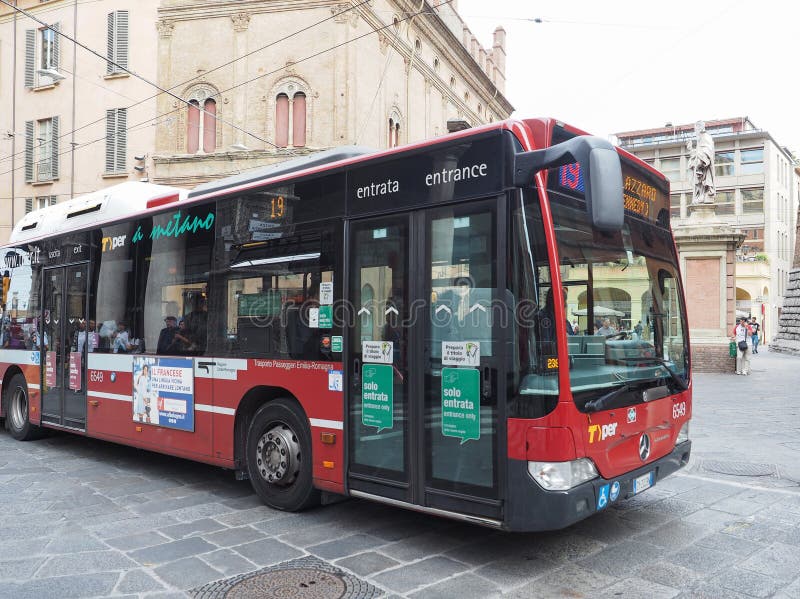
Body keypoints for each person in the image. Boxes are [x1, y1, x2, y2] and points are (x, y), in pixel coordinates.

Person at [687, 120, 715, 205]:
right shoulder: (699, 139)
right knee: (697, 180)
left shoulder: (706, 137)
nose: (695, 131)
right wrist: (690, 149)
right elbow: (697, 153)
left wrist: (701, 158)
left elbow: (708, 150)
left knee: (701, 180)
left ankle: (702, 195)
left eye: (696, 128)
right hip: (700, 165)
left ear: (700, 127)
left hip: (704, 166)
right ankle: (699, 195)